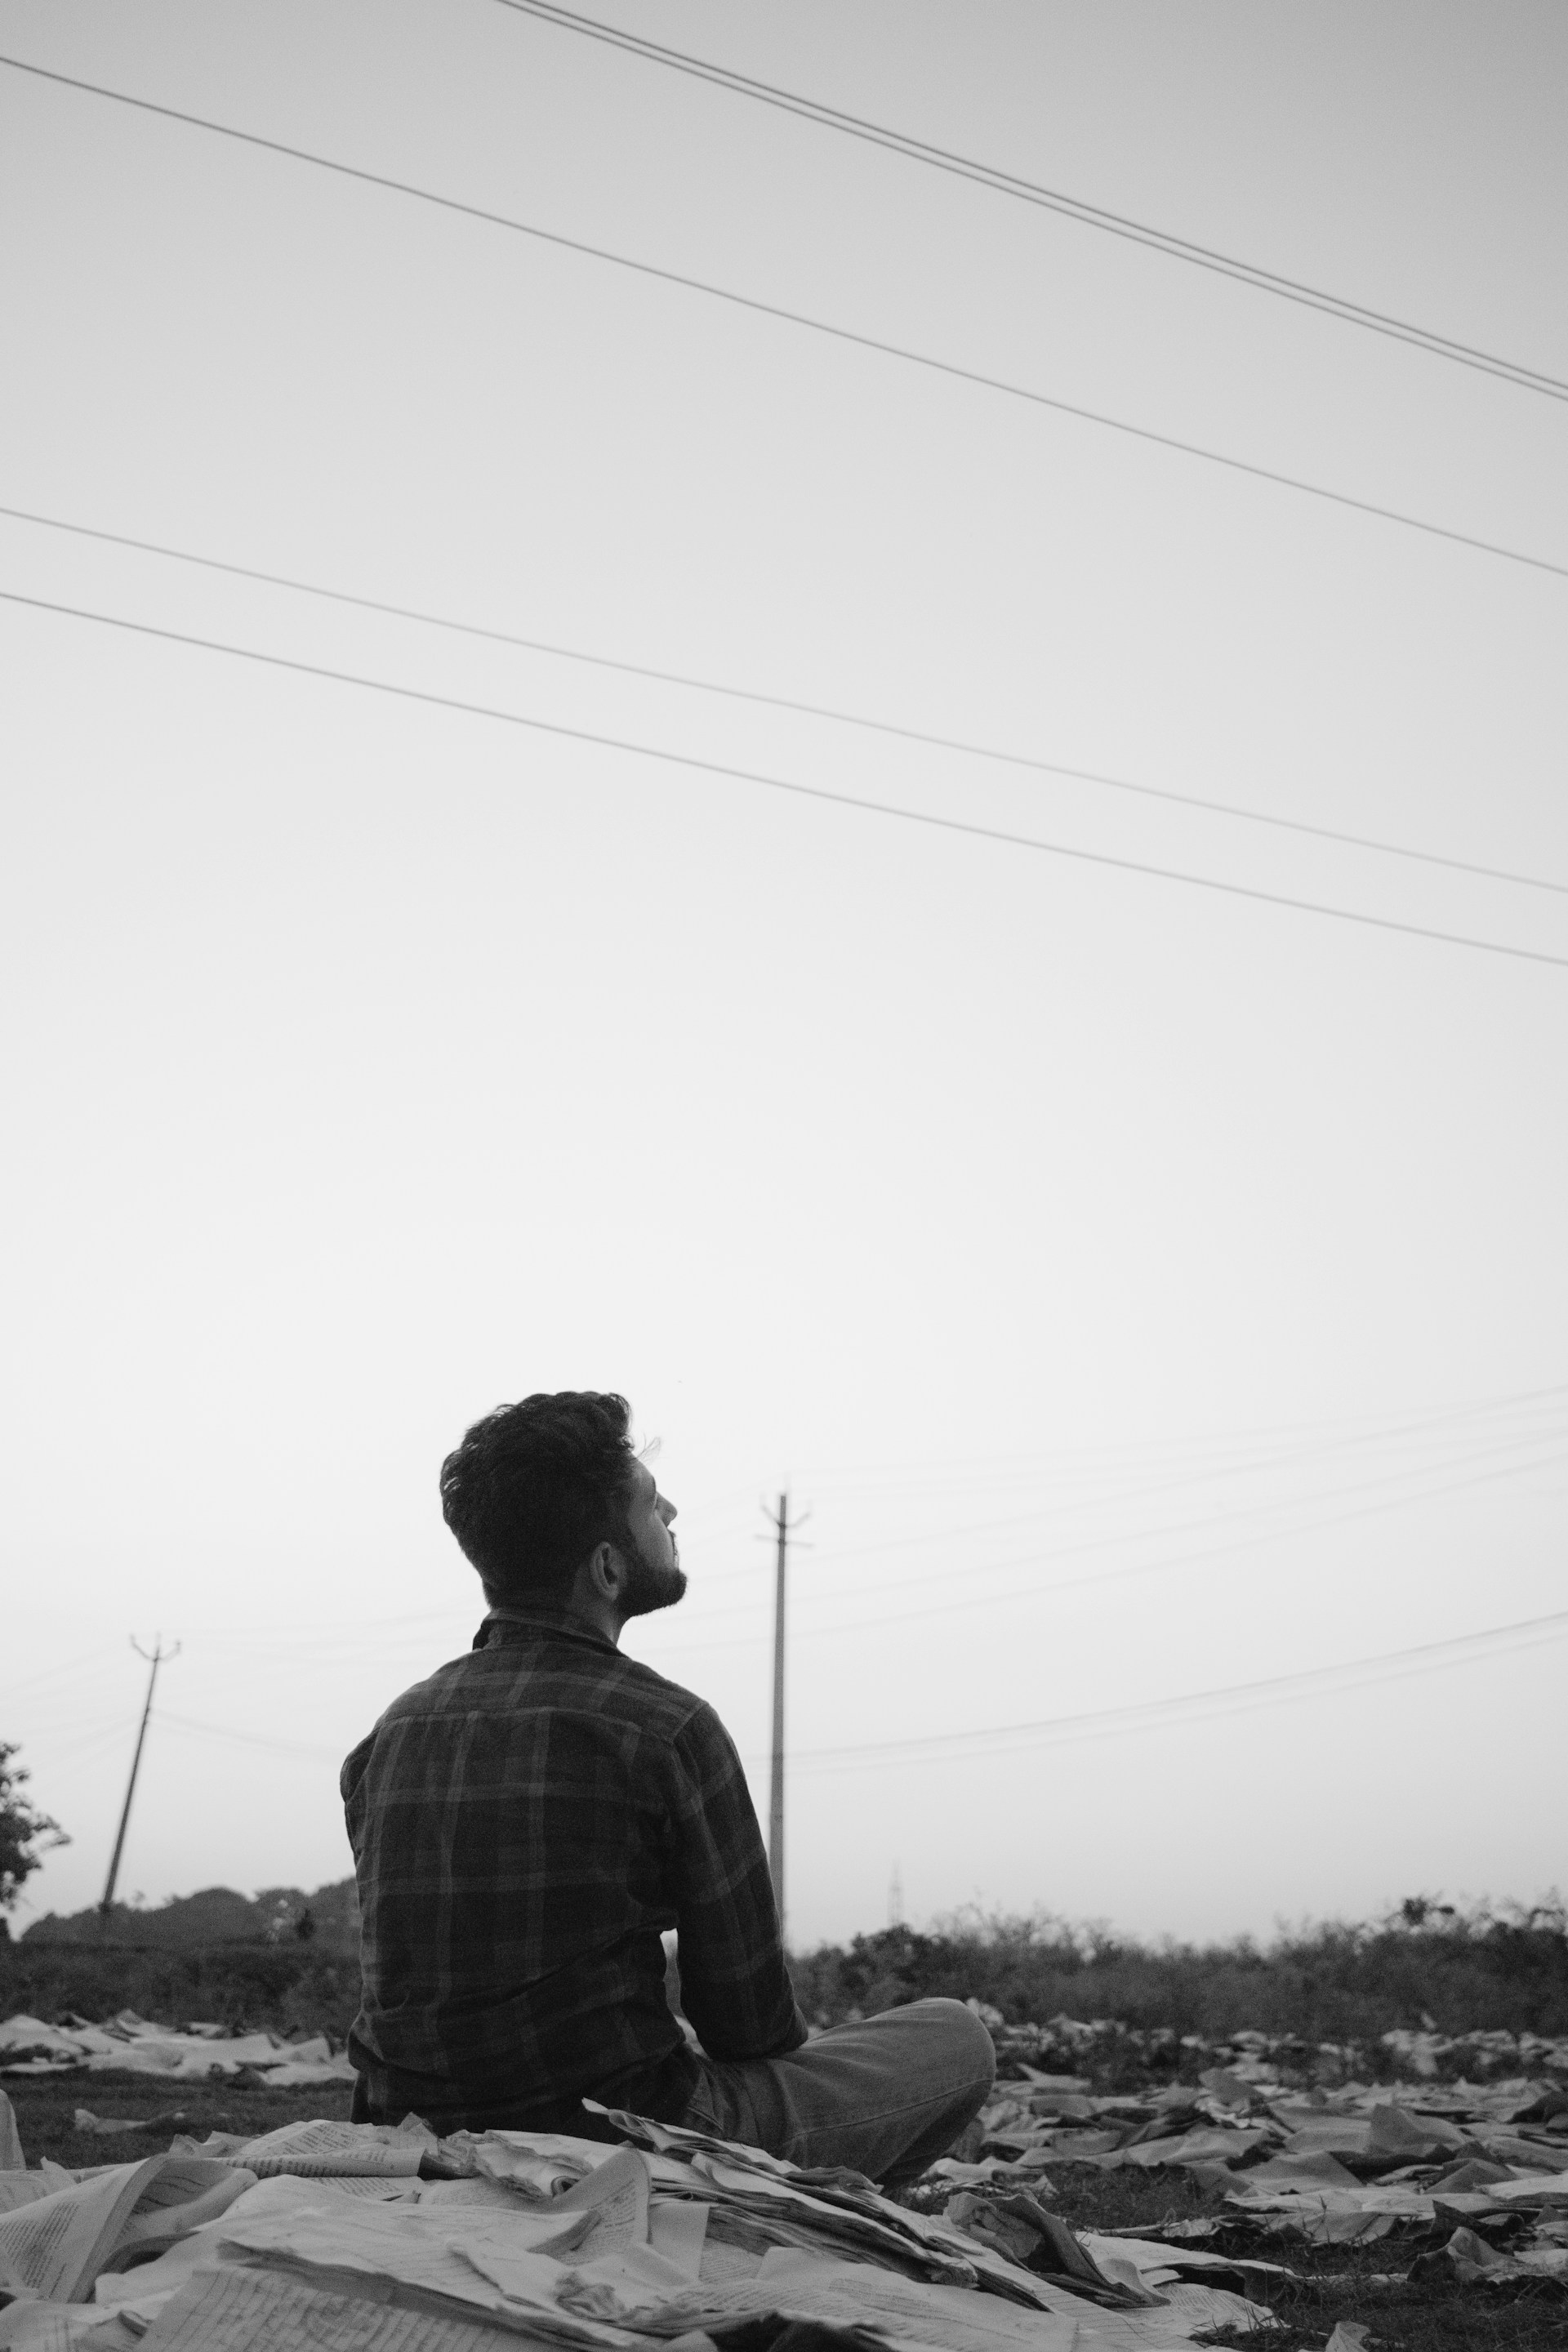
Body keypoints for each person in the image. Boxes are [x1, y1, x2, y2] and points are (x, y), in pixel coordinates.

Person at [341, 1390, 994, 2186]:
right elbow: (748, 2031)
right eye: (653, 1503)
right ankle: (785, 2226)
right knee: (957, 2035)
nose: (674, 1510)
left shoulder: (388, 1735)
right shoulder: (667, 1727)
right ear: (609, 1568)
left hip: (410, 2138)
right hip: (621, 2142)